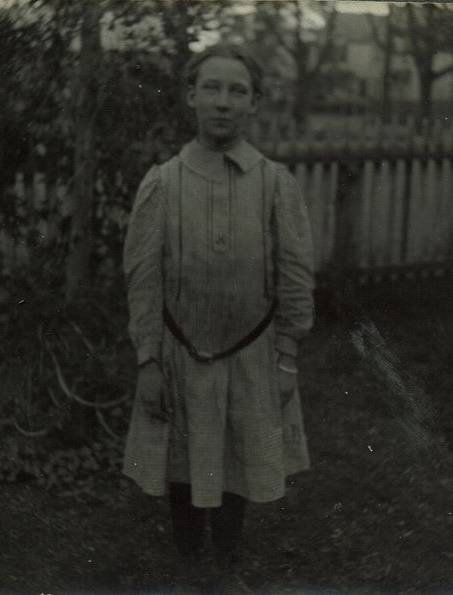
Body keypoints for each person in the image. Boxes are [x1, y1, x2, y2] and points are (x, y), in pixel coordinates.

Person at [122, 43, 315, 589]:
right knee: (184, 459)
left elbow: (295, 276)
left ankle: (228, 564)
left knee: (237, 454)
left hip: (251, 352)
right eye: (211, 88)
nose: (223, 103)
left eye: (237, 91)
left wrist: (286, 356)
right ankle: (187, 564)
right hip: (181, 349)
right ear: (190, 97)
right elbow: (143, 280)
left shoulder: (274, 183)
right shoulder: (163, 183)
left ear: (254, 103)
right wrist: (149, 360)